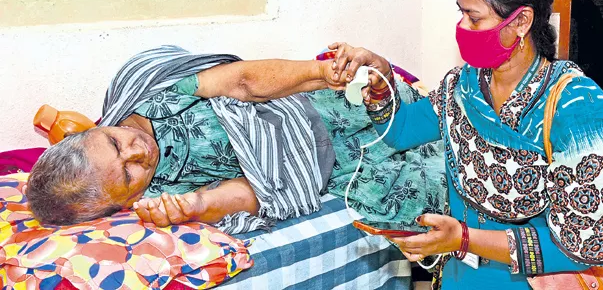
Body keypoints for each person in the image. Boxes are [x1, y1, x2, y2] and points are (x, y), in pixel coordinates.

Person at [327, 0, 603, 289]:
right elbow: (400, 131)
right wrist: (382, 77)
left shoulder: (580, 112)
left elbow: (596, 245)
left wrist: (464, 239)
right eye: (460, 12)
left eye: (473, 16)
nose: (462, 27)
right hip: (460, 277)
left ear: (521, 21)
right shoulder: (464, 87)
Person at [26, 47, 447, 234]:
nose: (138, 150)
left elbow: (243, 81)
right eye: (129, 172)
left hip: (312, 106)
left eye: (116, 142)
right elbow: (254, 192)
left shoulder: (151, 95)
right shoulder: (158, 197)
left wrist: (322, 73)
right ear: (120, 203)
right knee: (442, 182)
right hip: (333, 168)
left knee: (427, 112)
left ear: (96, 128)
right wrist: (199, 207)